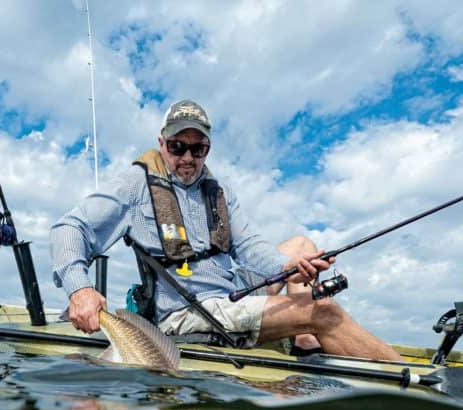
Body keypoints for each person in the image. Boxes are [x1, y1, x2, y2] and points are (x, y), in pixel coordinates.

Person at [50, 99, 401, 361]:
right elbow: (70, 227)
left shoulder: (219, 192)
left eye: (198, 148)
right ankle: (414, 385)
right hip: (187, 313)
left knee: (301, 245)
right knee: (324, 311)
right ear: (162, 143)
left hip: (230, 294)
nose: (187, 157)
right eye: (177, 147)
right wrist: (80, 289)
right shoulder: (135, 184)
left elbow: (250, 247)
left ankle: (304, 344)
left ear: (207, 149)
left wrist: (288, 267)